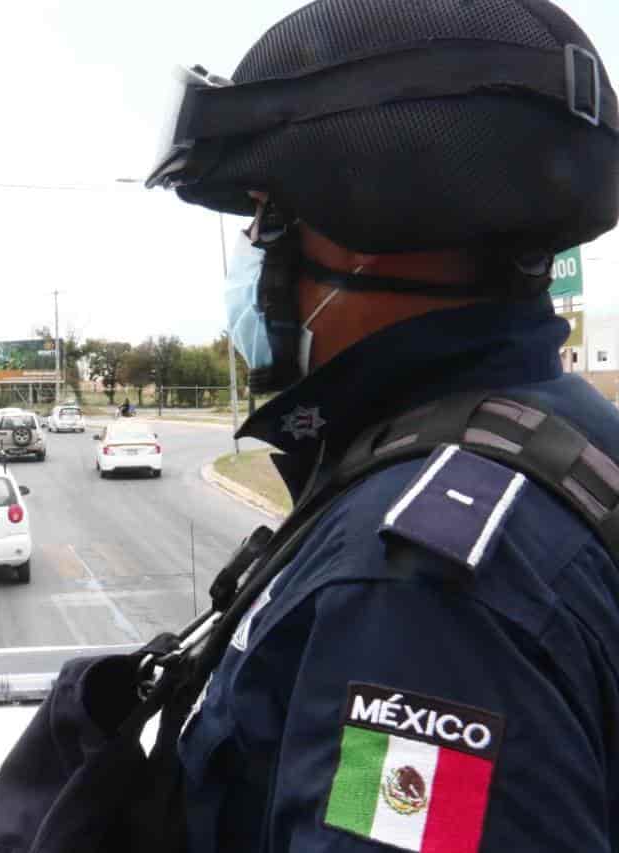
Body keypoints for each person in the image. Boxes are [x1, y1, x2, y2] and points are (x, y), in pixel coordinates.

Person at [136, 1, 619, 850]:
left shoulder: (416, 599)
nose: (250, 248)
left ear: (370, 238)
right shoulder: (565, 430)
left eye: (263, 215)